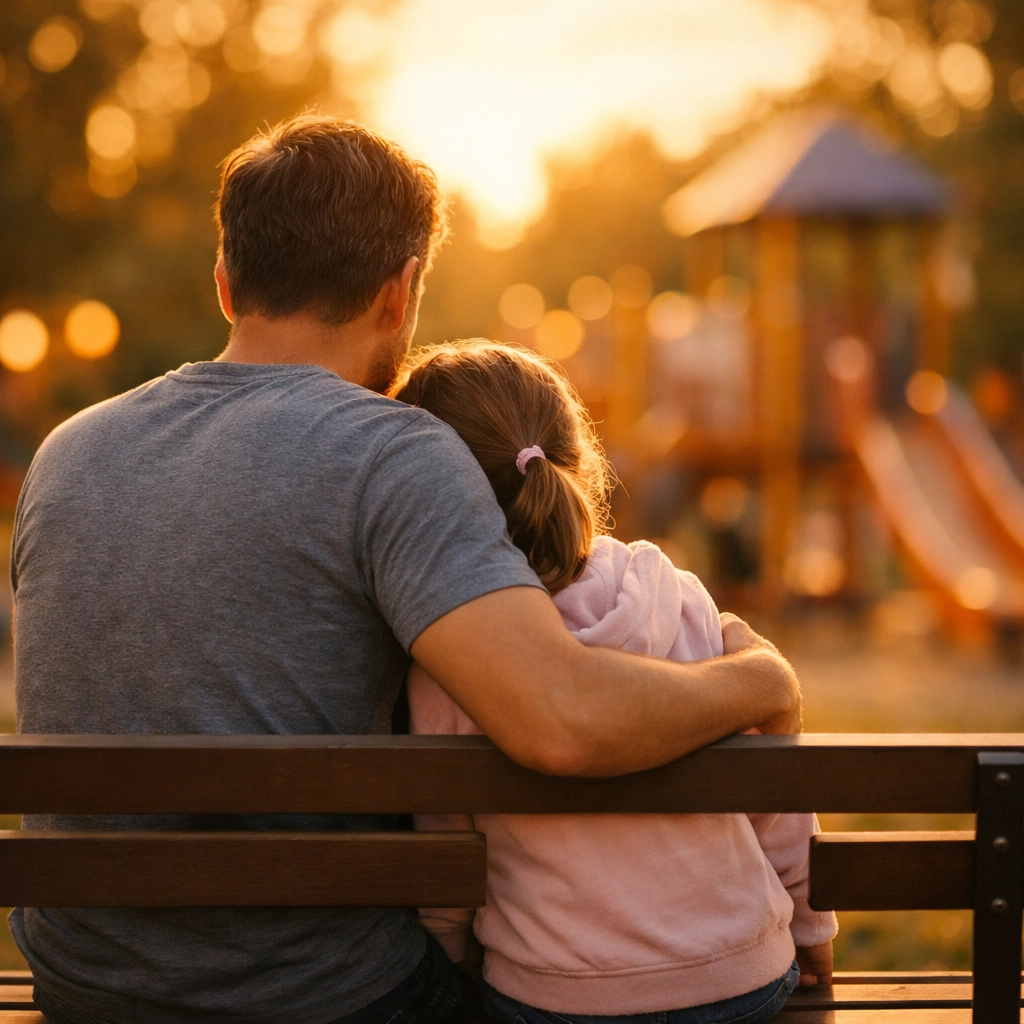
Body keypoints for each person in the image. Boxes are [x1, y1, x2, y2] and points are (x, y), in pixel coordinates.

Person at [10, 114, 803, 1024]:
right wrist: (758, 681)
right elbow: (562, 723)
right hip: (324, 1001)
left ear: (226, 284)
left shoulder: (68, 453)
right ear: (402, 291)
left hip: (87, 991)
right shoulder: (394, 455)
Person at [393, 341, 837, 1024]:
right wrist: (810, 927)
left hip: (555, 995)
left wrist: (452, 952)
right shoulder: (679, 596)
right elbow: (776, 800)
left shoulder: (453, 658)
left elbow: (448, 856)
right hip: (742, 979)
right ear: (578, 462)